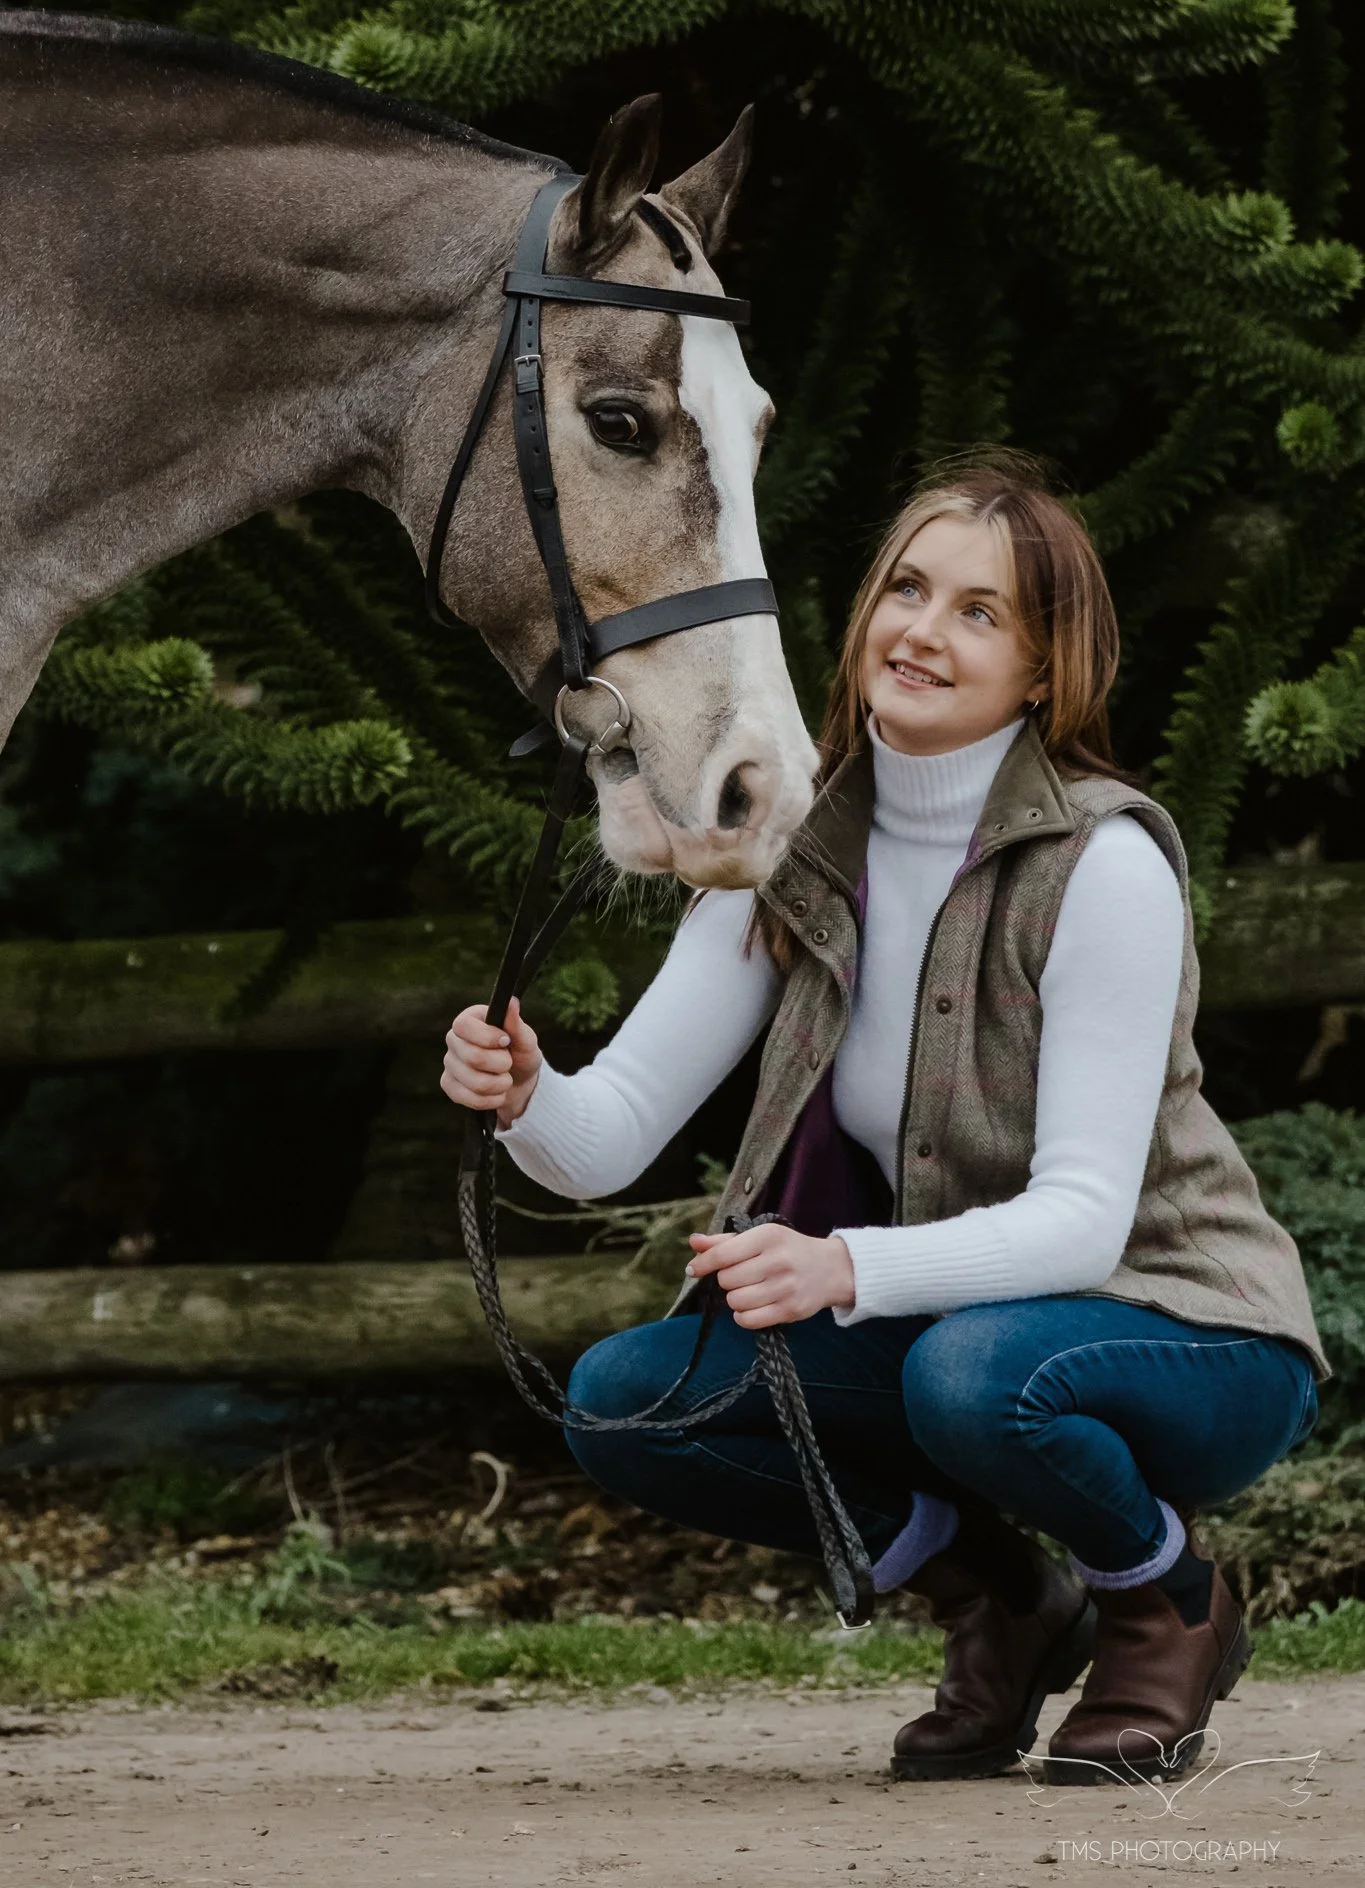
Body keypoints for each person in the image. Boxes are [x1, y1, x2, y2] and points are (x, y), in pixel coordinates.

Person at [441, 460, 1326, 1786]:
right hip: (961, 1337)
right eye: (907, 589)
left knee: (967, 1377)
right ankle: (1005, 1602)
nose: (921, 629)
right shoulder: (794, 858)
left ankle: (1162, 1602)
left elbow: (1085, 1224)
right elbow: (607, 1137)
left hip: (1192, 1333)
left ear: (1042, 670)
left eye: (979, 612)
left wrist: (843, 1269)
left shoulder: (1105, 864)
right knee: (634, 1397)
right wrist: (526, 1095)